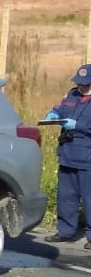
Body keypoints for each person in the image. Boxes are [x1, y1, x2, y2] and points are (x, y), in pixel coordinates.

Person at [44, 64, 91, 245]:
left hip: (87, 159)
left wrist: (77, 125)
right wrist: (53, 114)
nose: (81, 87)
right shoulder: (72, 95)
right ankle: (65, 231)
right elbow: (60, 109)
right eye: (79, 83)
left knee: (89, 200)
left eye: (85, 84)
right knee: (66, 198)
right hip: (67, 154)